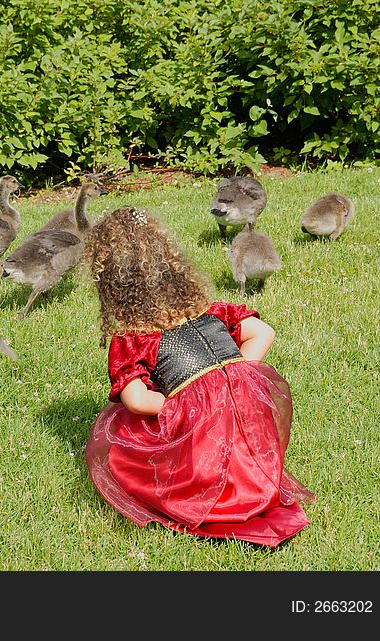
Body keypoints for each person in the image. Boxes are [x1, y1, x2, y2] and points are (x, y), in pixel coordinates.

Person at [82, 206, 314, 547]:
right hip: (249, 413)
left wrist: (181, 408)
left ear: (111, 284)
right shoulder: (211, 311)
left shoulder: (135, 335)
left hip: (203, 434)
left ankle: (205, 494)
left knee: (118, 428)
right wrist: (237, 376)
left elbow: (137, 399)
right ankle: (248, 482)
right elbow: (263, 333)